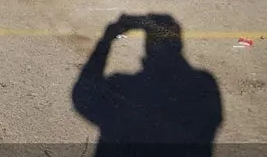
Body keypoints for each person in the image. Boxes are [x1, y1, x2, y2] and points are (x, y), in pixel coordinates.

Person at [72, 14, 223, 157]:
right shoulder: (204, 84)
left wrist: (106, 41)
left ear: (148, 46)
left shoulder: (123, 87)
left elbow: (83, 95)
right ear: (178, 43)